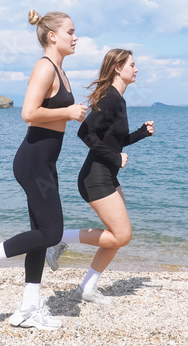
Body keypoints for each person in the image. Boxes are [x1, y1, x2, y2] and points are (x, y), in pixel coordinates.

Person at [0, 10, 87, 331]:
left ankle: (29, 308)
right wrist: (69, 112)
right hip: (33, 162)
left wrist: (72, 113)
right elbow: (28, 112)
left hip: (44, 162)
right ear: (52, 36)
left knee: (40, 237)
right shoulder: (45, 68)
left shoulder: (60, 70)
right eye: (70, 32)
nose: (76, 37)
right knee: (52, 233)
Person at [45, 48, 154, 304]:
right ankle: (57, 239)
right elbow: (85, 132)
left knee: (116, 237)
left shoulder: (118, 100)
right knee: (122, 235)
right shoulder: (111, 99)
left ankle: (87, 288)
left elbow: (113, 141)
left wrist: (141, 133)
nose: (136, 69)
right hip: (96, 178)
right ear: (118, 68)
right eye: (132, 65)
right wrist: (115, 159)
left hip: (106, 176)